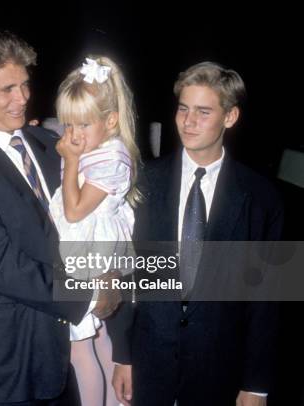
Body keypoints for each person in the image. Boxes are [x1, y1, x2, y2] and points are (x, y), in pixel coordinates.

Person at [0, 30, 121, 406]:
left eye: (24, 85)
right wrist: (88, 295)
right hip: (17, 358)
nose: (22, 97)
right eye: (7, 89)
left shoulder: (48, 144)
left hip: (69, 355)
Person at [108, 62, 283, 406]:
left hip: (220, 370)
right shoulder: (143, 182)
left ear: (230, 117)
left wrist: (256, 384)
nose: (188, 122)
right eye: (183, 109)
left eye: (203, 112)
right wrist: (122, 355)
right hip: (149, 362)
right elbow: (127, 272)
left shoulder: (262, 199)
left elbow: (267, 300)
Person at [49, 56, 141, 406]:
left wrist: (70, 161)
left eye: (83, 125)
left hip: (87, 250)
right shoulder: (100, 146)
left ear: (111, 120)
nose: (72, 135)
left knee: (78, 345)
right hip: (89, 246)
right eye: (67, 124)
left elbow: (73, 211)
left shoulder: (110, 157)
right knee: (97, 333)